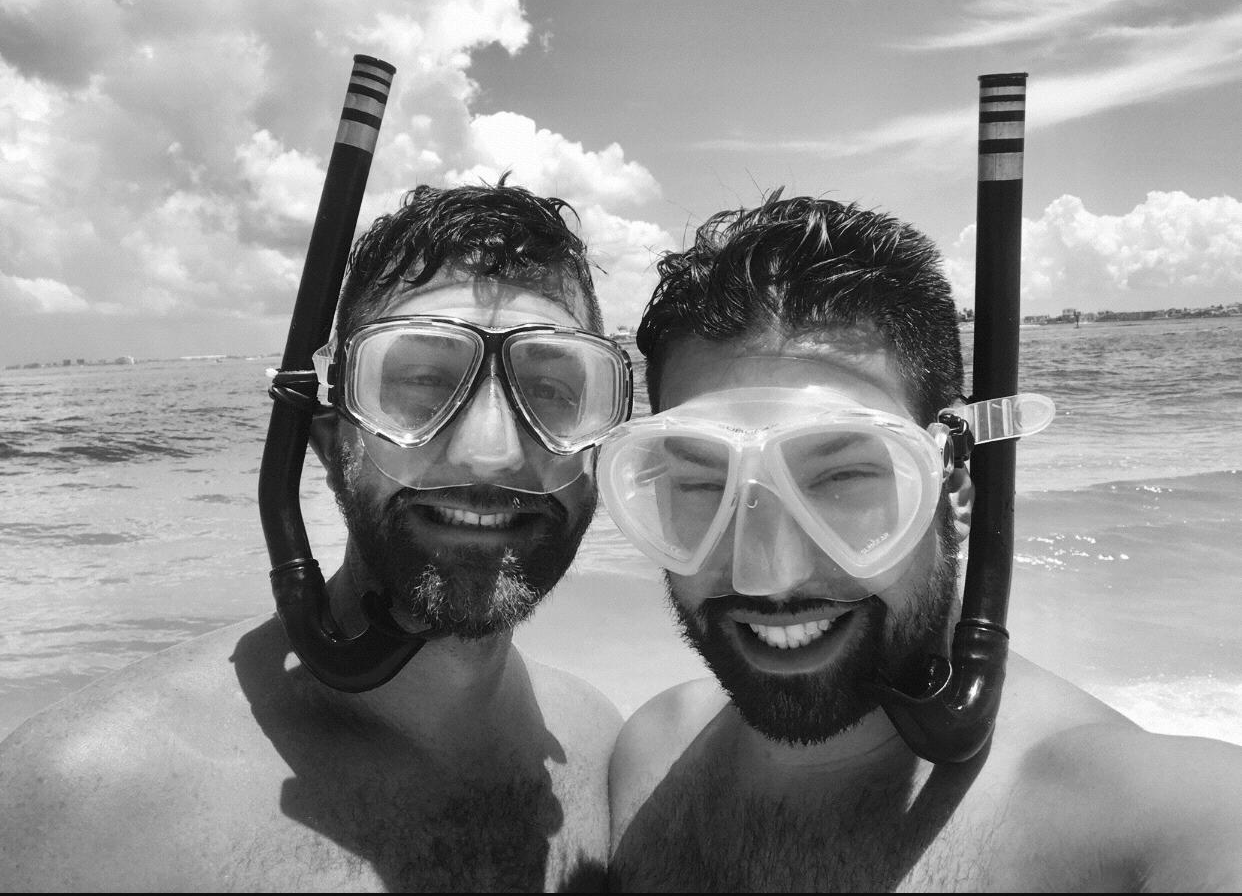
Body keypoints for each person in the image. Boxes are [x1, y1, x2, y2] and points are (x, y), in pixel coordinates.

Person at [600, 193, 1242, 892]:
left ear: (956, 488)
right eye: (701, 484)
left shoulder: (1158, 824)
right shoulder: (646, 760)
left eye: (842, 477)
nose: (765, 576)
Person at [0, 181, 631, 891]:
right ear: (332, 446)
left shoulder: (599, 745)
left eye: (551, 391)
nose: (490, 450)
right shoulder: (89, 802)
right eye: (423, 381)